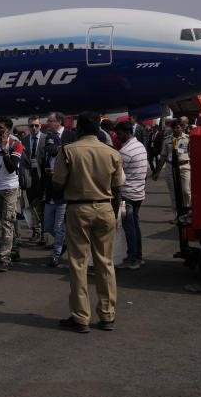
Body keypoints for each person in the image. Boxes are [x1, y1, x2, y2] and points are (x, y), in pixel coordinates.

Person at [51, 111, 123, 334]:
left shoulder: (69, 151)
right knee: (105, 263)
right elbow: (118, 188)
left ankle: (81, 317)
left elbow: (57, 183)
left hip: (78, 208)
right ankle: (107, 315)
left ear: (79, 129)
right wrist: (112, 211)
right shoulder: (111, 153)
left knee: (79, 263)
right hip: (105, 207)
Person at [0, 117, 24, 272]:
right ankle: (14, 247)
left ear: (9, 128)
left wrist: (4, 150)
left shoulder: (15, 144)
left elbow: (12, 168)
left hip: (10, 187)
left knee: (7, 222)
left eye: (1, 127)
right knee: (6, 219)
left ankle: (4, 257)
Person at [114, 122, 148, 270]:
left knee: (129, 228)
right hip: (138, 193)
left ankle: (133, 258)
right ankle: (137, 256)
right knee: (134, 226)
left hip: (127, 195)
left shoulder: (125, 151)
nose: (118, 137)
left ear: (126, 132)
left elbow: (117, 175)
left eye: (119, 134)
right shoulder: (140, 146)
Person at [152, 119, 191, 223]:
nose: (176, 130)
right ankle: (177, 216)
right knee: (173, 193)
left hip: (184, 167)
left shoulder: (188, 139)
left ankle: (188, 213)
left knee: (186, 191)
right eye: (174, 128)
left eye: (178, 127)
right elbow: (163, 156)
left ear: (182, 127)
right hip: (170, 167)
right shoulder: (167, 140)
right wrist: (157, 172)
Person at [39, 128, 67, 267]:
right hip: (49, 196)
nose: (51, 149)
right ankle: (65, 242)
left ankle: (55, 254)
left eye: (53, 147)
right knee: (49, 226)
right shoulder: (47, 157)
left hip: (62, 197)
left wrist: (58, 173)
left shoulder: (65, 158)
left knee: (58, 228)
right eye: (48, 147)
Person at [20, 116, 45, 245]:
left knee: (43, 203)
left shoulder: (46, 139)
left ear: (40, 126)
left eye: (36, 125)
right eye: (31, 126)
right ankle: (36, 230)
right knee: (31, 204)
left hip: (43, 177)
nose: (34, 128)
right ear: (28, 127)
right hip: (29, 176)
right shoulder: (23, 140)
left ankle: (44, 232)